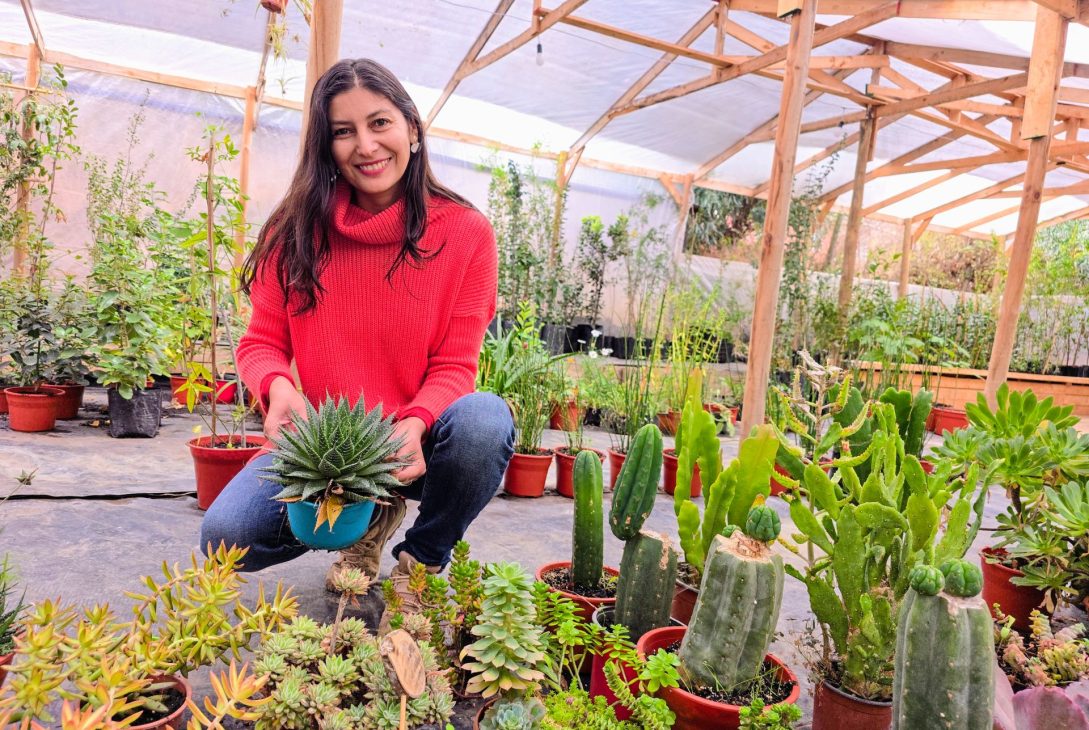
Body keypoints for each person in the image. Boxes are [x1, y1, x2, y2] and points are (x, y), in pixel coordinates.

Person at [200, 58, 514, 632]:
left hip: (413, 442)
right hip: (324, 446)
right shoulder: (292, 230)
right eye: (343, 131)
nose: (365, 145)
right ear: (326, 146)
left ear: (412, 130)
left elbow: (455, 365)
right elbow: (260, 343)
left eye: (380, 123)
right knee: (227, 538)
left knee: (484, 423)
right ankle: (364, 520)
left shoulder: (467, 233)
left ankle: (419, 560)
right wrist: (277, 386)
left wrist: (417, 423)